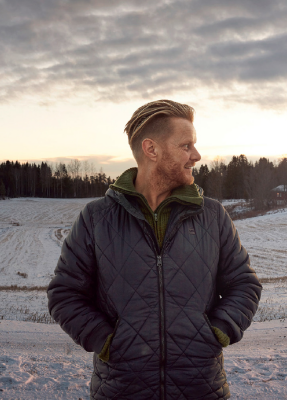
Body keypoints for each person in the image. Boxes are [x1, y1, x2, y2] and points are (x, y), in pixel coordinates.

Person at [47, 99, 262, 399]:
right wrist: (106, 341)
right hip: (121, 390)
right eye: (186, 145)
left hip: (200, 388)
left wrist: (217, 331)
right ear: (151, 150)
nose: (197, 155)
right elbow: (64, 294)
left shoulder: (213, 216)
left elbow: (244, 284)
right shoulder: (97, 218)